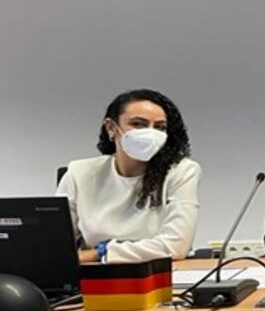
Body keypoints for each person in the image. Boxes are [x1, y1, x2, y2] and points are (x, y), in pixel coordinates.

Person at [57, 89, 200, 263]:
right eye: (138, 124)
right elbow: (54, 245)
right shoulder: (79, 173)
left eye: (160, 127)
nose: (150, 134)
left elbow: (175, 246)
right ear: (111, 127)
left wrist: (101, 253)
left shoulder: (181, 172)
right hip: (94, 276)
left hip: (156, 276)